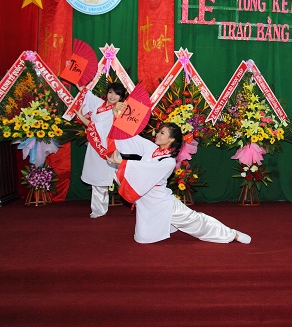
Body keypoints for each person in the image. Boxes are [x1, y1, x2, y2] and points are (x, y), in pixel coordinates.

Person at [107, 122, 251, 245]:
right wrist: (118, 121)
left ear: (171, 139)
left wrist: (120, 161)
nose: (157, 135)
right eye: (159, 131)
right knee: (143, 238)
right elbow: (131, 139)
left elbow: (146, 169)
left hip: (162, 203)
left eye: (162, 133)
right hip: (147, 202)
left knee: (195, 221)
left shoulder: (168, 161)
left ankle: (231, 234)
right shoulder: (151, 149)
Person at [75, 82, 127, 218]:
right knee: (98, 179)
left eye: (117, 94)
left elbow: (96, 126)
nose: (112, 96)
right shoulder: (99, 104)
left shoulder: (119, 111)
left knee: (124, 177)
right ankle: (98, 210)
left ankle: (143, 203)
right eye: (110, 92)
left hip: (111, 147)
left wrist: (81, 117)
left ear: (121, 97)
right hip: (96, 146)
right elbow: (85, 92)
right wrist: (76, 78)